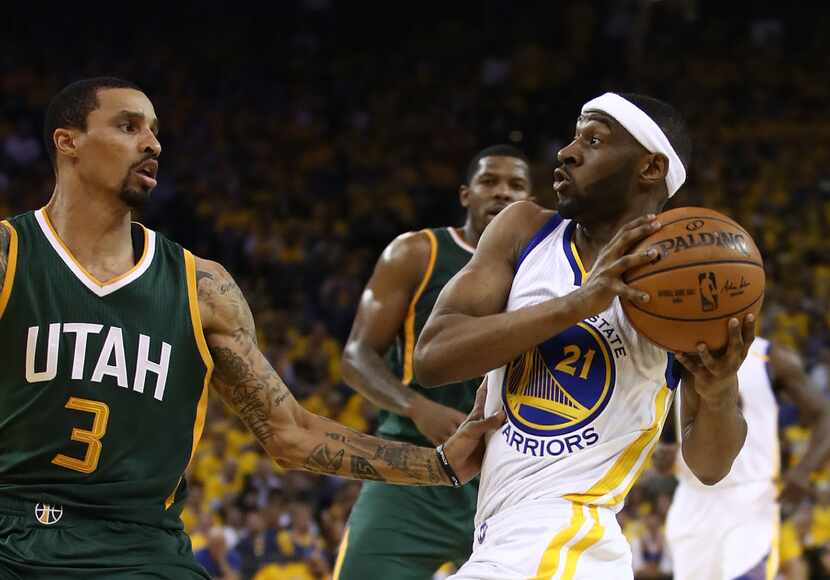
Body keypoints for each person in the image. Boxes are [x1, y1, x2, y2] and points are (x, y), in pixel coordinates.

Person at [0, 77, 502, 579]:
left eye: (154, 131)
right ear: (68, 143)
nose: (152, 143)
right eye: (128, 127)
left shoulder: (202, 288)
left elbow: (291, 433)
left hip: (143, 548)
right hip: (14, 536)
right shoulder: (10, 257)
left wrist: (437, 465)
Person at [414, 92, 755, 579]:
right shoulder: (525, 229)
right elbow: (432, 357)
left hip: (566, 536)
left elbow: (710, 464)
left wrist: (719, 392)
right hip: (507, 537)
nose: (566, 151)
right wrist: (577, 304)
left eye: (592, 140)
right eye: (574, 136)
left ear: (650, 168)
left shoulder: (689, 285)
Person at [336, 145, 532, 579]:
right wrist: (416, 407)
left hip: (506, 472)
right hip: (413, 462)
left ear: (529, 206)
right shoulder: (416, 252)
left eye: (516, 186)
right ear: (466, 194)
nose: (501, 193)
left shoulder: (544, 271)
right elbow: (356, 356)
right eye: (489, 181)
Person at [664, 337, 830, 580]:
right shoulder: (676, 353)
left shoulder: (771, 358)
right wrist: (664, 452)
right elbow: (668, 430)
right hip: (693, 497)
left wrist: (804, 470)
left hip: (751, 498)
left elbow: (824, 415)